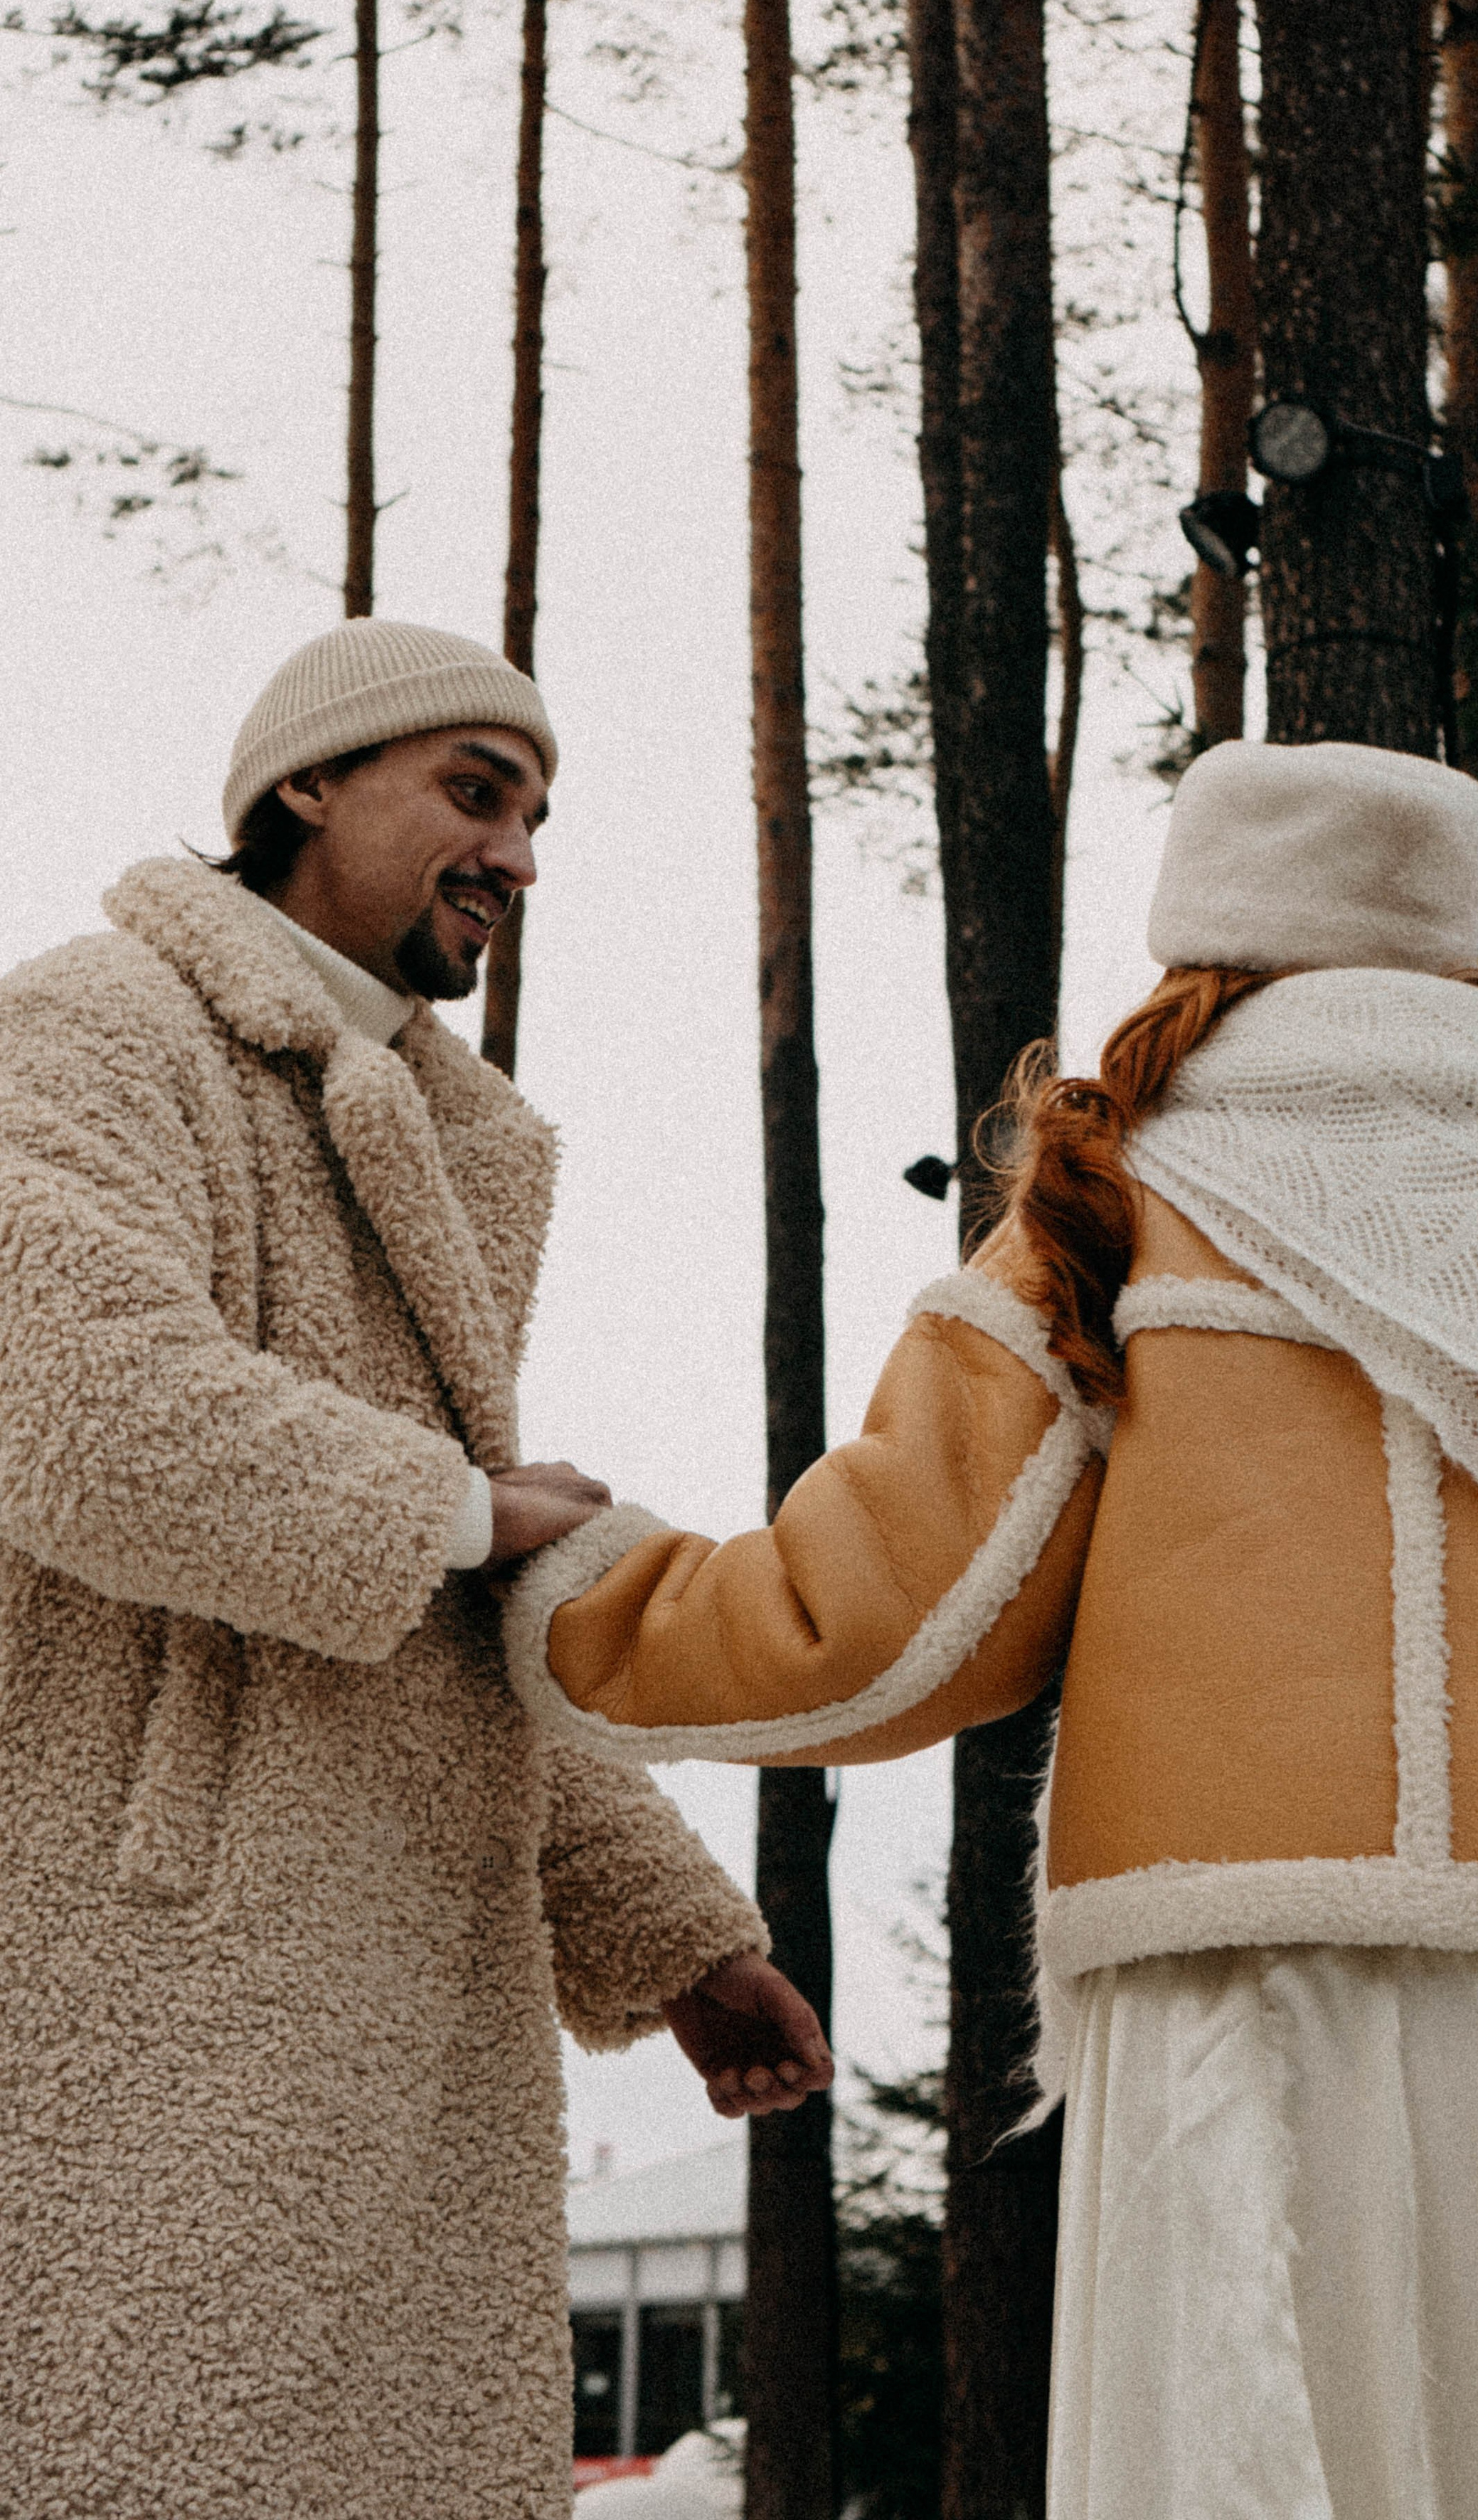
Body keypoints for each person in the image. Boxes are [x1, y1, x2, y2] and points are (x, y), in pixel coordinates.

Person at [504, 738, 1478, 2520]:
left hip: (1260, 2000)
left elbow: (883, 1618)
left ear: (1204, 920)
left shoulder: (1127, 1185)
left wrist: (576, 1589)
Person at [0, 618, 830, 2520]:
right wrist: (457, 1508)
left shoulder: (412, 1130)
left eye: (536, 814)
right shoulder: (98, 1024)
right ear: (306, 785)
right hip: (157, 2005)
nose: (520, 857)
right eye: (474, 792)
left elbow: (444, 1624)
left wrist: (673, 1937)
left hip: (391, 2021)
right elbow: (72, 1398)